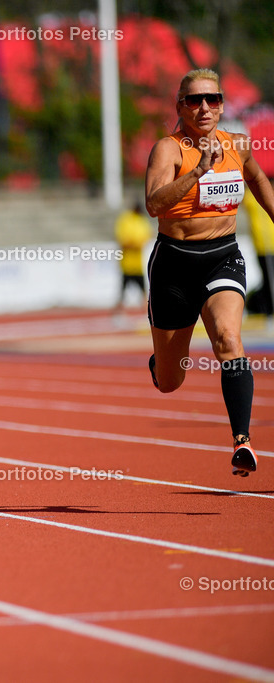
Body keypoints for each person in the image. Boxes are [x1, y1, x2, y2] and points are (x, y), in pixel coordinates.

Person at [144, 68, 274, 477]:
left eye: (213, 99)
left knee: (229, 338)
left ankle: (242, 443)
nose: (204, 108)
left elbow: (258, 180)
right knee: (170, 381)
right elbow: (153, 204)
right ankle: (160, 364)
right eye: (194, 100)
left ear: (222, 105)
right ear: (179, 106)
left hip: (223, 257)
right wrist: (198, 170)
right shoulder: (168, 149)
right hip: (174, 266)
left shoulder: (238, 144)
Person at [113, 202, 152, 315]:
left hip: (137, 264)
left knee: (144, 292)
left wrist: (136, 243)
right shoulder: (126, 219)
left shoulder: (141, 220)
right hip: (127, 264)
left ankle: (148, 314)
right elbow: (122, 240)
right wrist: (134, 243)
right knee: (122, 293)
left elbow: (145, 237)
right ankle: (118, 314)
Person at [243, 188, 274, 323]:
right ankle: (270, 309)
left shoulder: (253, 197)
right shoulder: (252, 197)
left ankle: (264, 306)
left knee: (269, 279)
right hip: (264, 244)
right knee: (270, 279)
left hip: (267, 243)